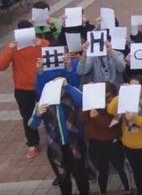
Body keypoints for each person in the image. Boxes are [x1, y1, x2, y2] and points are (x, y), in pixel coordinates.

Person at [28, 77, 89, 195]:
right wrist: (37, 114)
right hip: (56, 148)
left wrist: (67, 85)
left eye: (60, 87)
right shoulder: (43, 103)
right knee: (63, 179)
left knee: (81, 176)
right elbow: (31, 125)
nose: (58, 91)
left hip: (75, 145)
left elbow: (83, 99)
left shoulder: (70, 97)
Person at [0, 20, 49, 158]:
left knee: (48, 113)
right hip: (23, 88)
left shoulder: (41, 43)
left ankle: (51, 137)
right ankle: (32, 143)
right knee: (27, 116)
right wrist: (10, 49)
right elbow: (1, 65)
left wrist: (42, 45)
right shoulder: (13, 47)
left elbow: (53, 56)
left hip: (41, 85)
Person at [82, 82, 131, 195]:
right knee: (102, 171)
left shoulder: (115, 105)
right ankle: (103, 192)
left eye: (106, 94)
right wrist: (88, 97)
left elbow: (112, 124)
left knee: (121, 168)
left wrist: (97, 117)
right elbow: (82, 115)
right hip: (95, 143)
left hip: (113, 142)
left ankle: (128, 189)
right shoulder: (92, 104)